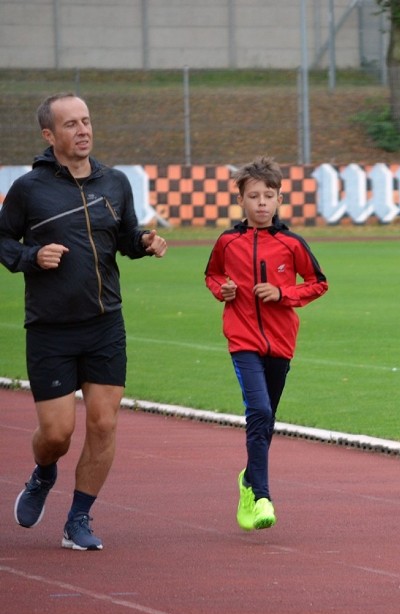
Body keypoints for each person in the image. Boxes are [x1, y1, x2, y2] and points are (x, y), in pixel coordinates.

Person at [0, 92, 168, 551]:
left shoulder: (114, 182)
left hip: (105, 324)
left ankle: (79, 519)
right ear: (49, 135)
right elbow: (2, 240)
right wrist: (31, 256)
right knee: (56, 434)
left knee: (103, 424)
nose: (83, 130)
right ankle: (43, 474)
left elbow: (126, 237)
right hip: (51, 329)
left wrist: (145, 242)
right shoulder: (30, 189)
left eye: (87, 121)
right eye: (71, 124)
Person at [204, 156, 328, 532]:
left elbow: (318, 282)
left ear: (278, 199)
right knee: (258, 411)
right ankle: (261, 496)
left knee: (266, 418)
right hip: (242, 340)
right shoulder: (227, 241)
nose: (261, 203)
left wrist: (282, 292)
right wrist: (221, 290)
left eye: (268, 196)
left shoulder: (291, 243)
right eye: (253, 196)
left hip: (281, 343)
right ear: (240, 199)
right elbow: (212, 274)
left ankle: (247, 479)